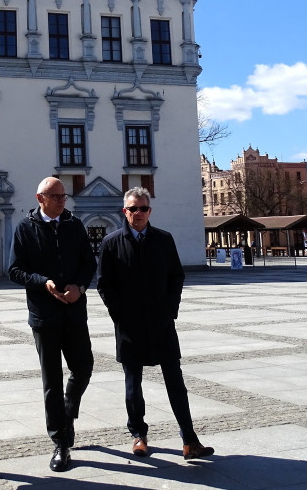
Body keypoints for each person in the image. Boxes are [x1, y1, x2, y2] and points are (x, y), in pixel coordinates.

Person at [96, 187, 214, 462]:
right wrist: (119, 315)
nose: (138, 213)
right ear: (124, 211)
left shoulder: (163, 239)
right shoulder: (111, 243)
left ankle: (190, 439)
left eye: (143, 208)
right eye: (133, 209)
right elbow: (104, 284)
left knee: (175, 381)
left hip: (161, 323)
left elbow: (176, 276)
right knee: (132, 384)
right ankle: (138, 435)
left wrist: (170, 309)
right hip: (130, 325)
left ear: (150, 211)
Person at [9, 176, 96, 472]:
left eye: (64, 196)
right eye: (56, 196)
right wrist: (41, 282)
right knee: (51, 381)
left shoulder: (74, 225)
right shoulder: (25, 227)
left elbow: (89, 263)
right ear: (40, 198)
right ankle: (60, 442)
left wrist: (79, 286)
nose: (62, 200)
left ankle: (68, 410)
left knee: (83, 367)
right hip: (44, 315)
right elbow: (15, 270)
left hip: (73, 310)